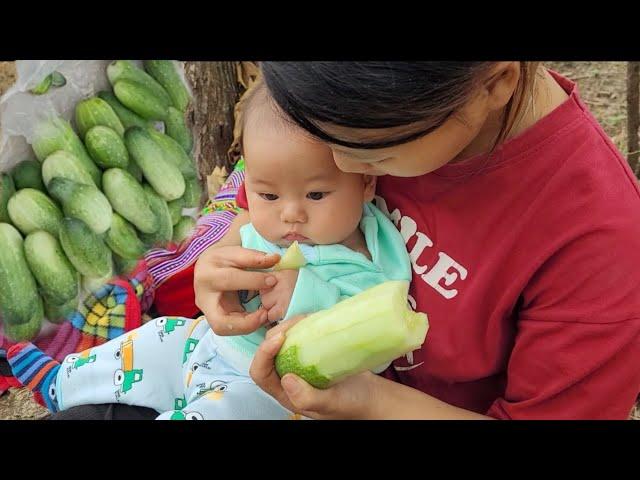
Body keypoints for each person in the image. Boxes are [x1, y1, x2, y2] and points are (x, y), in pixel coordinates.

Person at [195, 61, 640, 420]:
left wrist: (370, 403)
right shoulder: (344, 102)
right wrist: (227, 256)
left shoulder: (598, 242)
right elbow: (262, 200)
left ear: (496, 83)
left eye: (372, 151)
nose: (341, 165)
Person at [7, 81, 411, 420]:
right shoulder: (268, 225)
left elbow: (371, 347)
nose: (291, 215)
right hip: (206, 343)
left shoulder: (372, 257)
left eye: (316, 194)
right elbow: (228, 249)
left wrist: (303, 296)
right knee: (155, 337)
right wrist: (219, 262)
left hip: (264, 391)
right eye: (268, 194)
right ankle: (65, 382)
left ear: (366, 184)